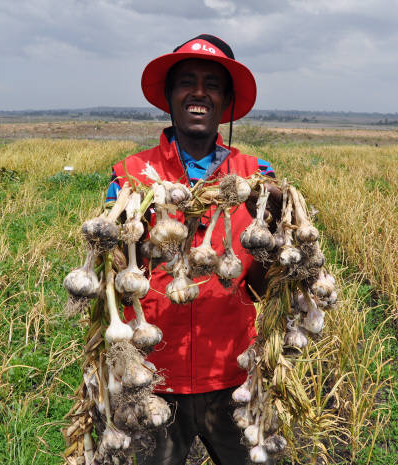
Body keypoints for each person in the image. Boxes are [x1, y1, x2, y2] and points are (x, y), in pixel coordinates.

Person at [105, 34, 278, 465]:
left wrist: (272, 230)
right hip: (151, 376)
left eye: (212, 84)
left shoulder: (256, 177)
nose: (198, 92)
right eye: (186, 81)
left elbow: (262, 287)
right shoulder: (131, 177)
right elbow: (112, 279)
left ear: (227, 100)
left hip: (234, 372)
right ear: (168, 95)